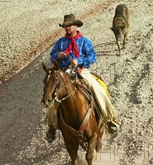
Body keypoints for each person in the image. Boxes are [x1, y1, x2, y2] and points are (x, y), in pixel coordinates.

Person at [45, 14, 120, 142]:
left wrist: (78, 60)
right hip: (64, 74)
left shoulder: (84, 41)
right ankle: (52, 127)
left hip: (81, 71)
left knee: (98, 89)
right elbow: (51, 57)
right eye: (65, 26)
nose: (67, 28)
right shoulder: (60, 42)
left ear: (76, 26)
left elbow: (92, 56)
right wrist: (57, 55)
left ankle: (109, 119)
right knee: (53, 97)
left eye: (69, 26)